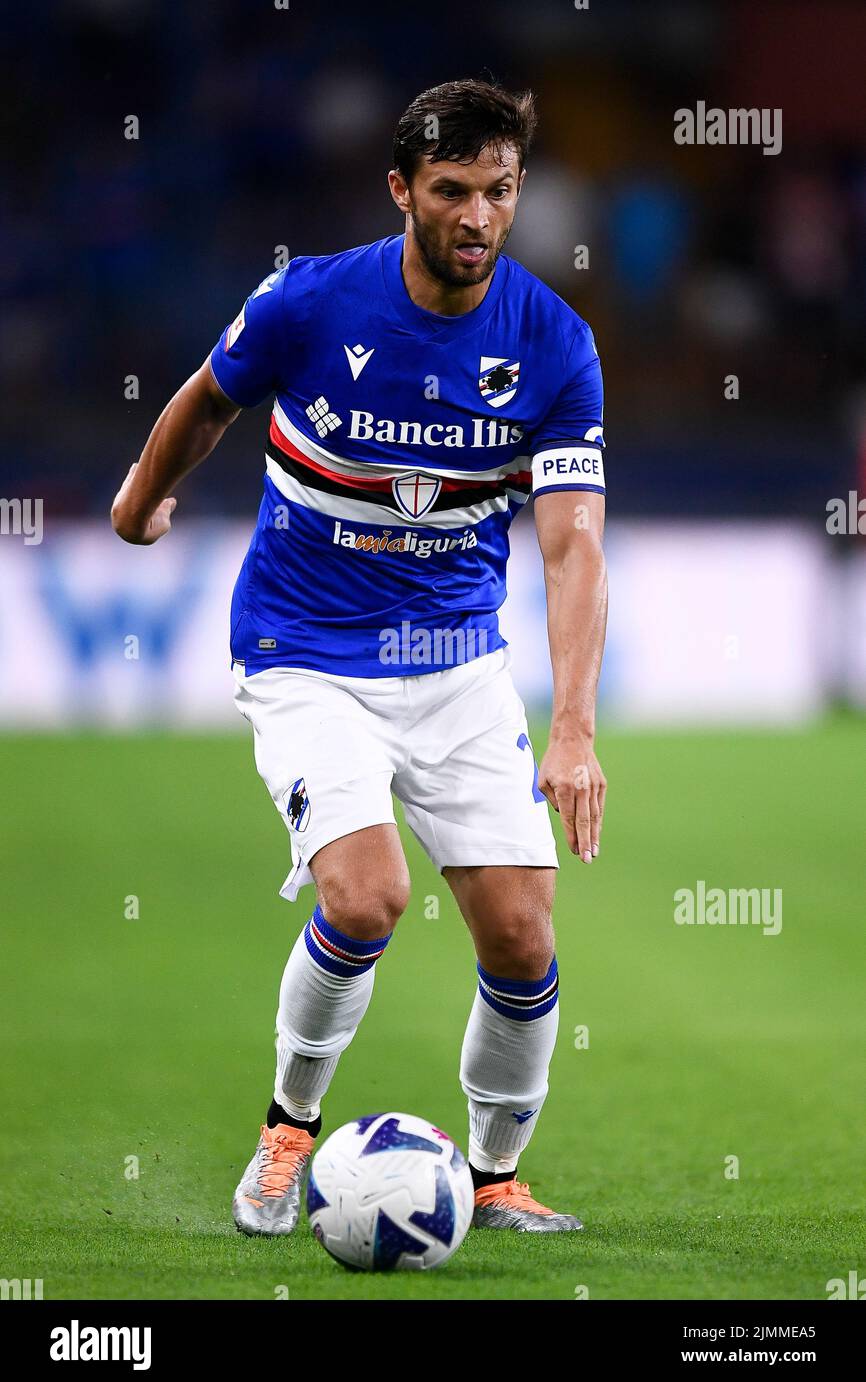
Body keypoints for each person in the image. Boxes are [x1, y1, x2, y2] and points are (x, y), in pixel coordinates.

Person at [111, 77, 608, 1238]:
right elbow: (206, 399)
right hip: (306, 648)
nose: (478, 215)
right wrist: (140, 503)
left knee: (522, 931)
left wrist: (574, 726)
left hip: (456, 661)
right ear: (401, 190)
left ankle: (493, 1177)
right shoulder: (308, 301)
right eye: (450, 190)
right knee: (367, 893)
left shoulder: (552, 345)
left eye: (498, 190)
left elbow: (572, 547)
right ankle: (288, 1129)